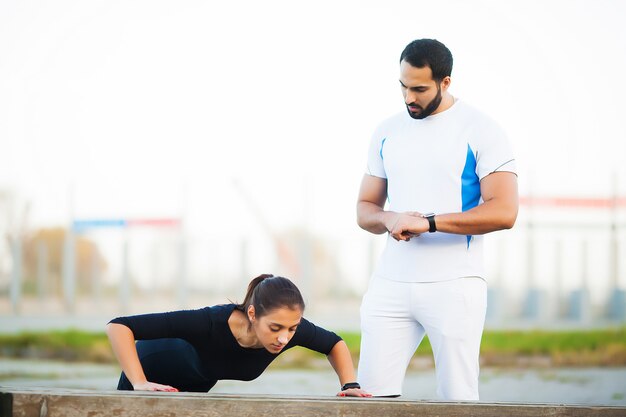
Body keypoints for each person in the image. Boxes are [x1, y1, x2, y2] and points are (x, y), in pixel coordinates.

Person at [356, 38, 518, 401]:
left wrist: (429, 223)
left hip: (454, 284)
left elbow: (505, 211)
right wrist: (389, 217)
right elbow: (365, 209)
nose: (408, 97)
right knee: (368, 398)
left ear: (445, 82)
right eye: (403, 86)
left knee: (458, 400)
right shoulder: (386, 131)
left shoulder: (481, 129)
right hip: (390, 283)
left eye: (419, 88)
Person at [106, 274, 370, 397]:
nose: (284, 338)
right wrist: (139, 382)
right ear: (253, 314)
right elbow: (119, 326)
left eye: (292, 328)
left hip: (194, 386)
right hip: (150, 369)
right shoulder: (209, 322)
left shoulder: (291, 330)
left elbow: (334, 343)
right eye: (275, 328)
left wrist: (350, 385)